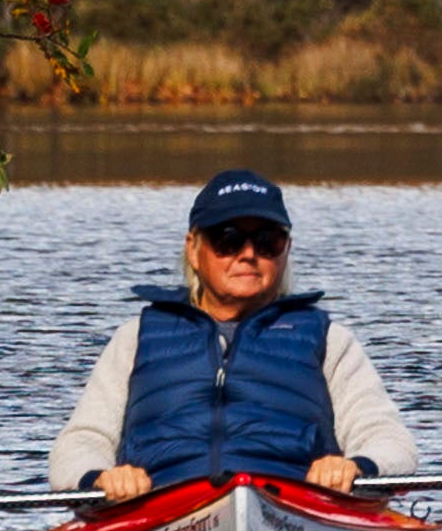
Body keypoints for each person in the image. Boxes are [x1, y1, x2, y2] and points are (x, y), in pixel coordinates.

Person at [50, 169, 423, 503]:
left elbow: (391, 443)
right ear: (194, 249)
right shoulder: (135, 338)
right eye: (228, 239)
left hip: (299, 509)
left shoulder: (330, 341)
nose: (248, 254)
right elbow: (79, 444)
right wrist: (102, 478)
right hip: (156, 509)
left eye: (267, 241)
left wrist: (354, 467)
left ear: (286, 249)